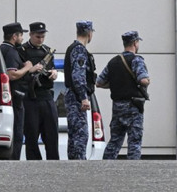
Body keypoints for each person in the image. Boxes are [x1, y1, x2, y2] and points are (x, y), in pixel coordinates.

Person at [96, 31, 150, 160]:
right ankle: (132, 170)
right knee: (134, 141)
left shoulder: (113, 62)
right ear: (135, 43)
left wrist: (116, 85)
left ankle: (106, 168)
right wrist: (147, 81)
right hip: (133, 106)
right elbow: (143, 80)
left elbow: (99, 83)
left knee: (115, 140)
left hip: (117, 107)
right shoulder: (137, 60)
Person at [0, 22, 41, 160]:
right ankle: (14, 162)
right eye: (21, 35)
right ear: (14, 36)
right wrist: (27, 68)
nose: (22, 38)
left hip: (9, 98)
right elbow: (12, 75)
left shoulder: (1, 49)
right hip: (15, 98)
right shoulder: (11, 51)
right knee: (17, 134)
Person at [19, 22, 60, 160]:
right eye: (37, 36)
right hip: (31, 97)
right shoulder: (22, 51)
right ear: (30, 35)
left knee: (52, 135)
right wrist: (30, 69)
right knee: (31, 135)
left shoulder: (47, 51)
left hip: (47, 96)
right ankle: (34, 165)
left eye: (43, 36)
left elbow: (52, 67)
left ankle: (53, 164)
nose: (40, 39)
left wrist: (54, 73)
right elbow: (18, 74)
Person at [63, 21, 96, 160]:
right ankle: (79, 166)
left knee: (74, 135)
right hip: (76, 98)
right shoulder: (79, 50)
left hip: (72, 95)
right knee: (80, 135)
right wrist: (83, 97)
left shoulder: (72, 48)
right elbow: (78, 76)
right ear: (89, 33)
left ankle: (73, 166)